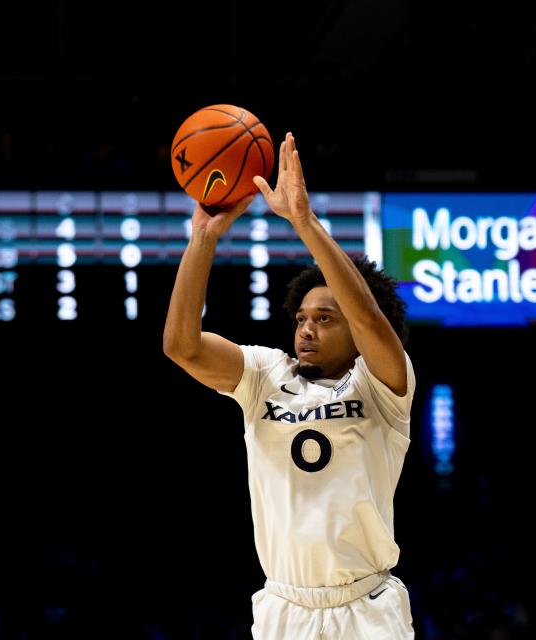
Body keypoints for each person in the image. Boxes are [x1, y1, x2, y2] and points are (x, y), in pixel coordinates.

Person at [163, 133, 414, 639]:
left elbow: (367, 315)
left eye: (325, 319)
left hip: (366, 607)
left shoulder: (384, 384)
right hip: (284, 606)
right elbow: (182, 346)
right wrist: (203, 239)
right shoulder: (264, 375)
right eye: (302, 318)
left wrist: (304, 222)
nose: (306, 328)